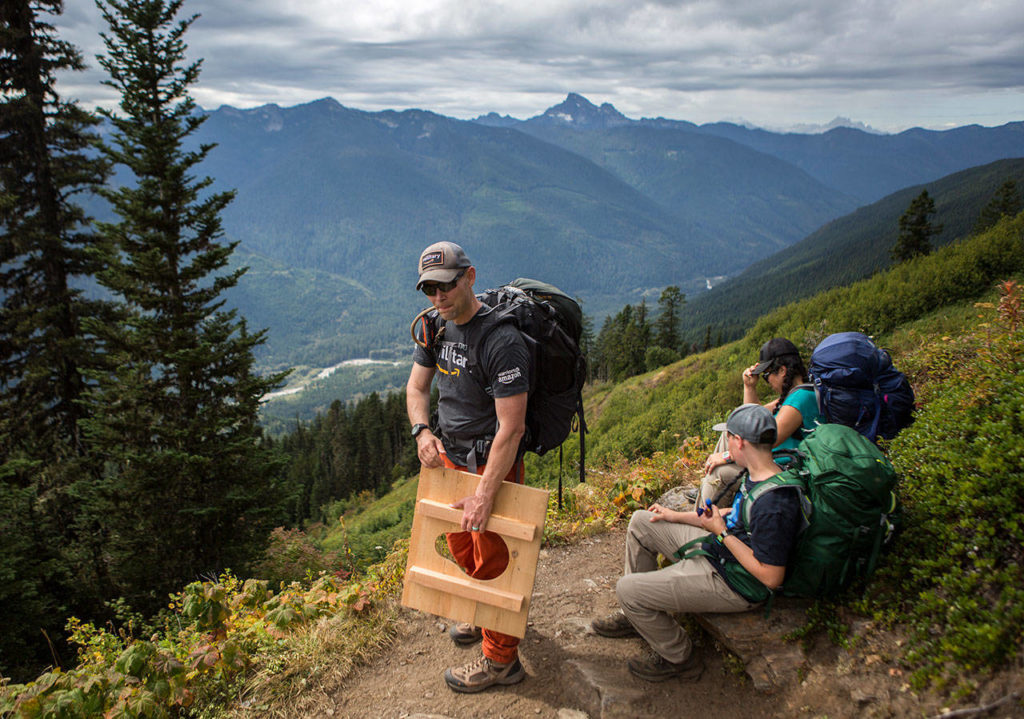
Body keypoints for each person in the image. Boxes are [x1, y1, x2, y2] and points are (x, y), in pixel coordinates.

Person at [591, 404, 803, 682]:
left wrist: (723, 534)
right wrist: (675, 515)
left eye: (729, 437)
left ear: (739, 441)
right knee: (642, 522)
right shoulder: (756, 473)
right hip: (721, 550)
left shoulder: (775, 503)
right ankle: (640, 616)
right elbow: (727, 515)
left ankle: (679, 657)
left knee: (626, 589)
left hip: (734, 581)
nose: (727, 443)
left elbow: (772, 577)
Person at [406, 241, 532, 693]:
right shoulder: (433, 329)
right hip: (448, 459)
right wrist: (422, 432)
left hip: (490, 465)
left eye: (446, 286)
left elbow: (511, 429)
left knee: (497, 559)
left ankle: (502, 660)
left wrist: (484, 493)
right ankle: (482, 614)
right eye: (429, 290)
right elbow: (417, 389)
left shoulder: (502, 340)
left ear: (470, 277)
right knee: (462, 547)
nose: (438, 298)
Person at [691, 337, 820, 508]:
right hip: (773, 462)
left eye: (767, 375)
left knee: (719, 473)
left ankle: (705, 522)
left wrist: (726, 456)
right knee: (729, 432)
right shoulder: (794, 395)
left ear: (782, 371)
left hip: (785, 469)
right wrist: (749, 387)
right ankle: (705, 492)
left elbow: (768, 439)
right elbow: (750, 419)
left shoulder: (801, 398)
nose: (767, 382)